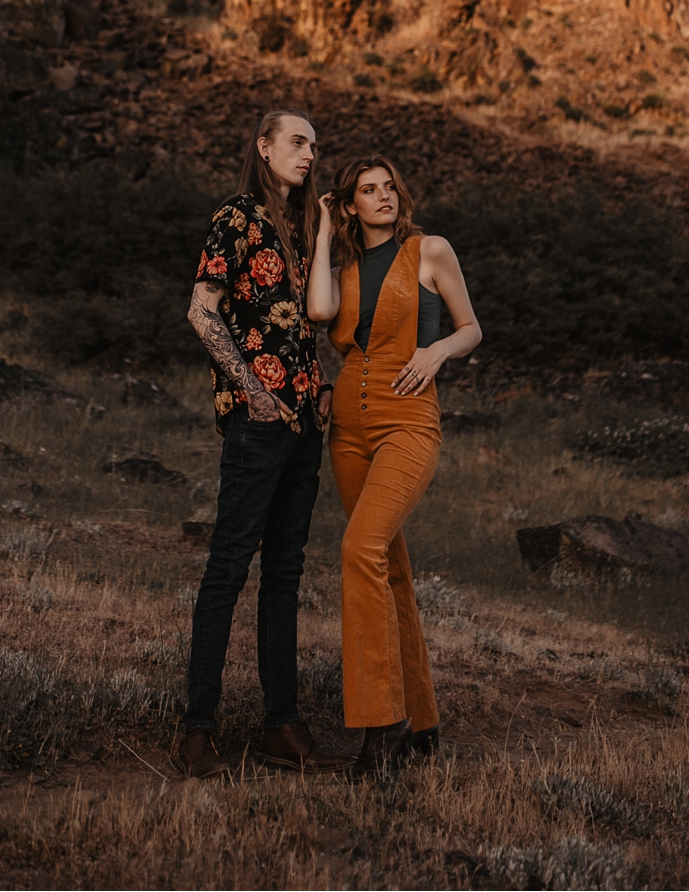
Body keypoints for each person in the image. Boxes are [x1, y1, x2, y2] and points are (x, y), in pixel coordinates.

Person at [178, 110, 351, 778]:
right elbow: (201, 308)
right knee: (228, 568)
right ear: (265, 147)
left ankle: (282, 727)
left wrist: (329, 227)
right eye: (299, 142)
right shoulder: (238, 216)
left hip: (306, 420)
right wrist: (250, 389)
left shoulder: (301, 232)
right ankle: (198, 731)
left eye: (316, 143)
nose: (311, 154)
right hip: (260, 419)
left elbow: (312, 318)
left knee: (284, 574)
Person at [307, 154, 481, 775]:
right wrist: (325, 235)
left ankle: (383, 726)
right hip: (348, 429)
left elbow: (472, 329)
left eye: (387, 188)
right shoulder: (346, 267)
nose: (381, 197)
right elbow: (321, 314)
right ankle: (424, 718)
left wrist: (434, 352)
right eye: (366, 191)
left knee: (359, 550)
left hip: (408, 417)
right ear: (350, 203)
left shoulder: (430, 250)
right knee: (389, 565)